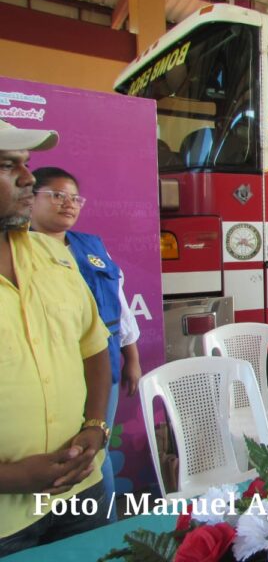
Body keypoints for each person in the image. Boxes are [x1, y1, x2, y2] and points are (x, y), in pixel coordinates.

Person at [0, 119, 111, 555]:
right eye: (10, 166)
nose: (30, 179)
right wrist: (15, 480)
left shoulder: (54, 256)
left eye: (27, 165)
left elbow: (94, 346)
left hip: (82, 494)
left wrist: (96, 427)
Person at [30, 166, 142, 523]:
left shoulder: (91, 246)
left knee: (96, 449)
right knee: (54, 450)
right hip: (49, 369)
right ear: (30, 199)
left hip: (102, 363)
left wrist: (132, 358)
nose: (68, 204)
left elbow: (119, 306)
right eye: (56, 195)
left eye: (74, 198)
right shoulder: (16, 248)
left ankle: (100, 525)